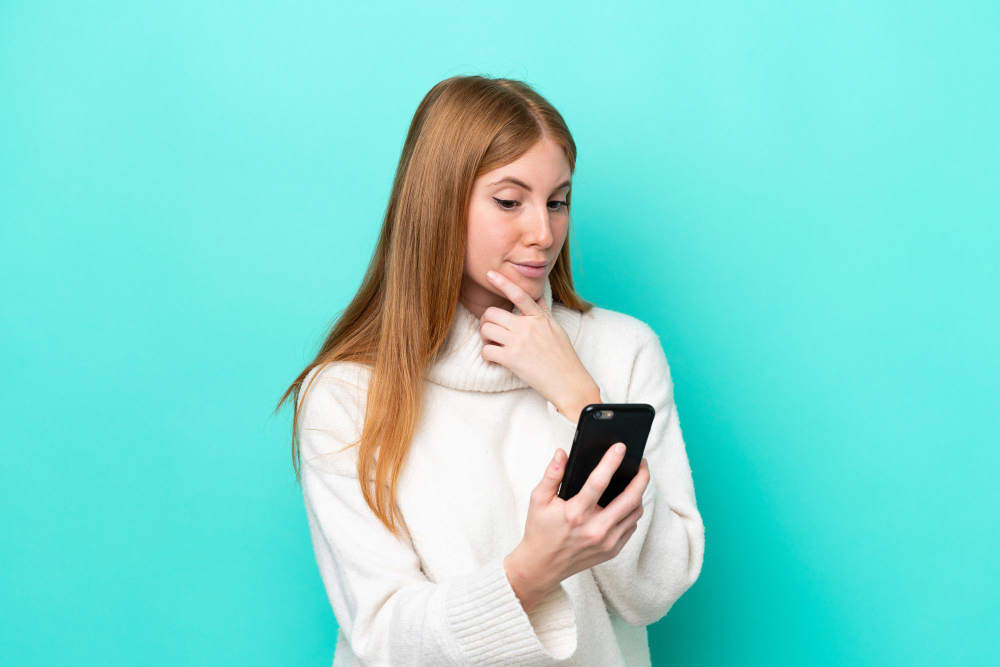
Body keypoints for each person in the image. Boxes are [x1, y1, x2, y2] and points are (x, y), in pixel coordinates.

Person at [276, 75, 705, 666]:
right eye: (509, 201)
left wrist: (581, 399)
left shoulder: (622, 350)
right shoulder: (347, 394)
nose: (543, 232)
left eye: (558, 201)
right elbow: (384, 640)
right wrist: (530, 571)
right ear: (439, 202)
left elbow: (654, 591)